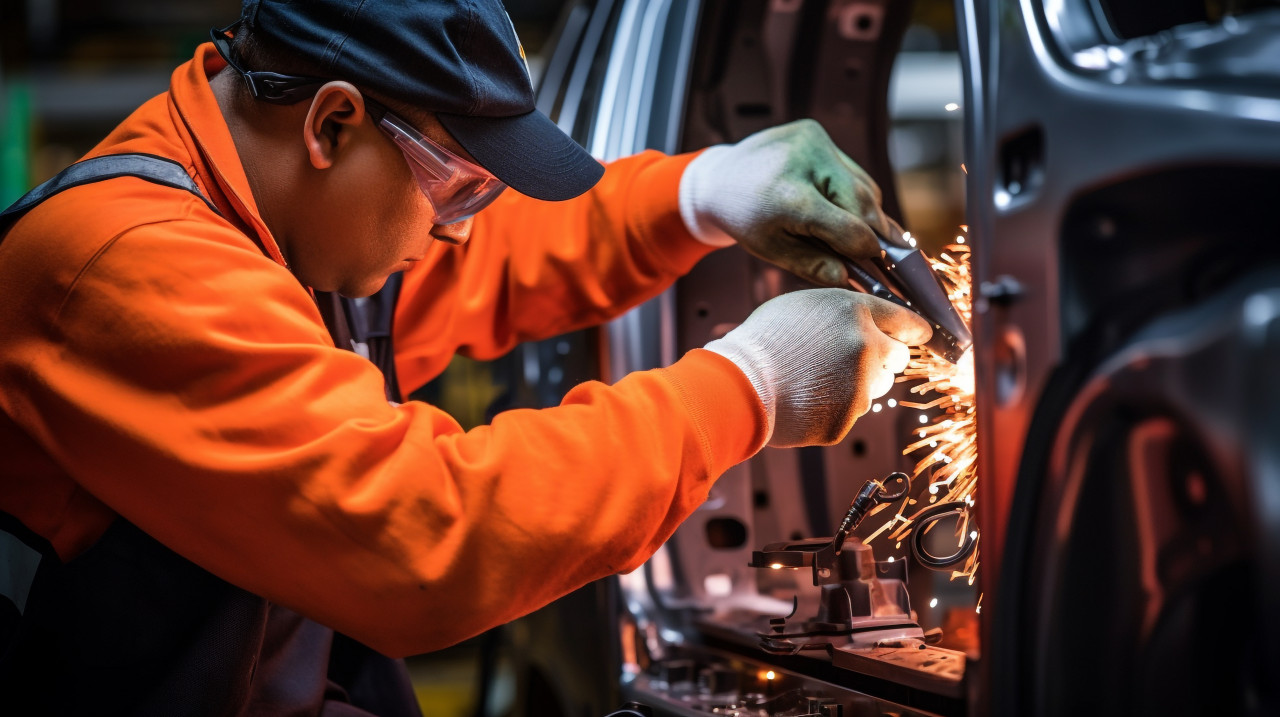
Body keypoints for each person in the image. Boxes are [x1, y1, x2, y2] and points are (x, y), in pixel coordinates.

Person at [0, 0, 931, 714]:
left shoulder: (279, 219)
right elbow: (424, 539)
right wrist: (752, 382)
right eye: (456, 187)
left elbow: (509, 256)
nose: (453, 234)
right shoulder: (124, 266)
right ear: (331, 125)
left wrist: (705, 192)